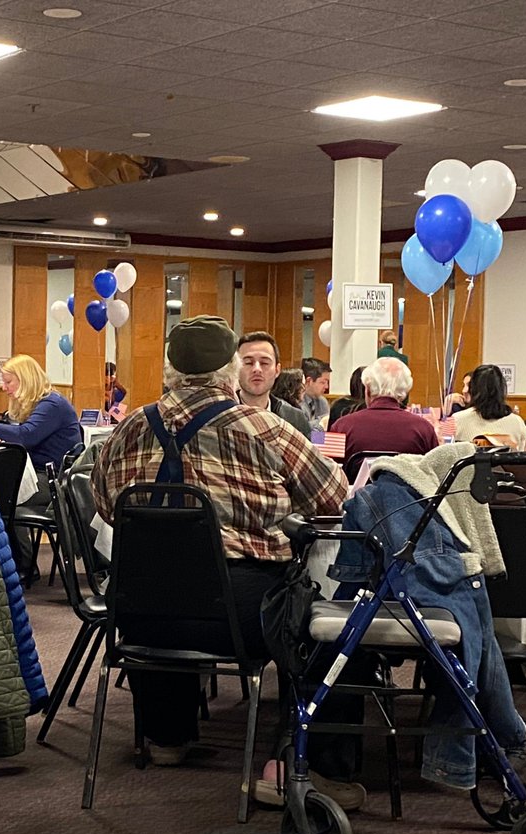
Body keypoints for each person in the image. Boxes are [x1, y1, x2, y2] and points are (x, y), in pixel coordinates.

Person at [91, 315, 348, 794]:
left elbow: (106, 508)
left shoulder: (125, 431)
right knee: (325, 620)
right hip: (237, 614)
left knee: (166, 577)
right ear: (230, 371)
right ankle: (304, 759)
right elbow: (333, 497)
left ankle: (166, 738)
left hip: (138, 612)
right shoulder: (265, 428)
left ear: (171, 370)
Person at [0, 354, 81, 474]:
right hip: (38, 469)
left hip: (48, 476)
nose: (3, 388)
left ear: (25, 380)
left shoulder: (52, 404)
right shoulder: (43, 403)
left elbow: (25, 436)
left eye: (8, 382)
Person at [330, 358, 438, 468]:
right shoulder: (424, 429)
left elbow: (329, 470)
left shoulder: (341, 427)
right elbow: (435, 470)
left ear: (367, 390)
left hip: (355, 485)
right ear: (404, 393)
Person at [237, 331, 310, 437]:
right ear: (235, 369)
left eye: (264, 363)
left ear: (277, 370)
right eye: (248, 363)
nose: (257, 369)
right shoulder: (220, 415)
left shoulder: (295, 418)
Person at [452, 364, 526, 449]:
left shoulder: (457, 420)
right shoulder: (517, 422)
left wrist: (445, 411)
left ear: (473, 389)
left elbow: (443, 449)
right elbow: (525, 454)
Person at [299, 357, 331, 429]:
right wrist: (321, 423)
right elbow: (303, 433)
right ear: (309, 381)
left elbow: (323, 434)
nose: (326, 387)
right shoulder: (297, 402)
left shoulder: (322, 402)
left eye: (327, 382)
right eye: (323, 382)